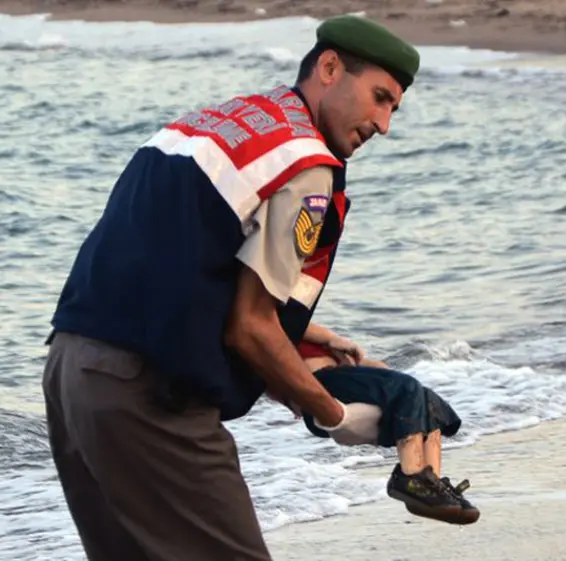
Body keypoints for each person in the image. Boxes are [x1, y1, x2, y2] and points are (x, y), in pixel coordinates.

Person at [41, 15, 431, 561]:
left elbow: (181, 261)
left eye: (394, 108)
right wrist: (334, 415)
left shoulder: (215, 123)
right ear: (329, 67)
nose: (384, 124)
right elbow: (249, 327)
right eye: (379, 97)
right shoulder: (307, 166)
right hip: (147, 393)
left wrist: (306, 333)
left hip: (69, 370)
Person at [283, 323, 481, 525]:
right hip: (320, 383)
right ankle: (409, 477)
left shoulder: (323, 346)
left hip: (341, 379)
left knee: (425, 398)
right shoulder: (284, 324)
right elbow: (288, 320)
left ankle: (431, 484)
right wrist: (331, 338)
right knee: (407, 387)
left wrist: (379, 372)